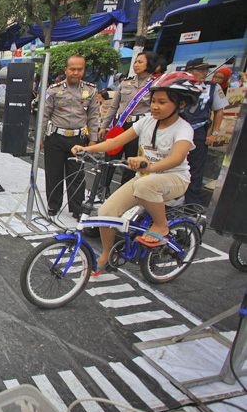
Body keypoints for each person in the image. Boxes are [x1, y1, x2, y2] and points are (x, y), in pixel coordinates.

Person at [71, 71, 202, 272]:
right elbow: (116, 141)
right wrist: (87, 149)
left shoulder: (183, 128)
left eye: (163, 102)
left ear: (181, 105)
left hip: (175, 179)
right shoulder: (146, 121)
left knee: (143, 183)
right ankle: (107, 252)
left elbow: (177, 157)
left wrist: (150, 167)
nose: (155, 106)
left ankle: (161, 225)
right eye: (153, 101)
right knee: (106, 213)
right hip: (145, 179)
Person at [43, 54, 100, 219]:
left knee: (76, 174)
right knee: (54, 174)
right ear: (66, 70)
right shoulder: (54, 90)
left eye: (80, 69)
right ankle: (53, 205)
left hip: (78, 139)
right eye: (73, 69)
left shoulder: (90, 90)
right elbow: (44, 116)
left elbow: (94, 116)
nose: (76, 72)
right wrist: (40, 138)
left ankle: (77, 207)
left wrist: (94, 139)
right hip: (55, 137)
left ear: (84, 70)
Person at [98, 51, 158, 199]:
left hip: (139, 128)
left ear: (150, 64)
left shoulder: (155, 85)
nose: (136, 65)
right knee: (110, 158)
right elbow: (113, 106)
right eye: (135, 62)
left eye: (140, 62)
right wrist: (104, 126)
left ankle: (124, 192)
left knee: (132, 161)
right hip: (120, 126)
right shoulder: (125, 83)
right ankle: (102, 189)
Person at [183, 57, 228, 205]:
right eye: (200, 70)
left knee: (195, 167)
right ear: (189, 71)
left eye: (206, 70)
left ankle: (191, 202)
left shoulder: (212, 88)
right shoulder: (179, 85)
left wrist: (214, 133)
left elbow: (219, 111)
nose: (204, 73)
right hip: (178, 129)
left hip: (198, 131)